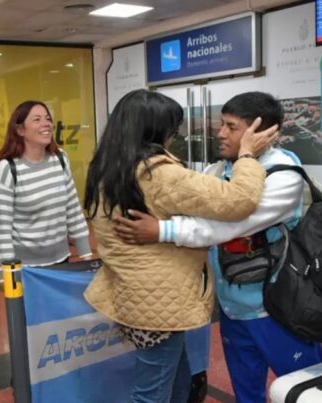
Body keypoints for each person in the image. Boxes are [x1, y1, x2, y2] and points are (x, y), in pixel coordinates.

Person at [113, 92, 322, 403]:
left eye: (232, 126)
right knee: (246, 392)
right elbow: (192, 210)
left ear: (263, 133)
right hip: (232, 306)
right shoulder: (217, 171)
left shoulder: (284, 175)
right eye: (221, 124)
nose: (221, 133)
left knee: (307, 392)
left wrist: (162, 230)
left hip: (277, 306)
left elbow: (231, 224)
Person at [82, 89, 278, 403]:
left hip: (134, 292)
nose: (175, 137)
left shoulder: (108, 165)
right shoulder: (157, 173)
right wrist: (246, 157)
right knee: (152, 393)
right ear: (155, 130)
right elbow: (239, 200)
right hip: (157, 301)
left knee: (174, 381)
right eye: (174, 129)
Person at [0, 100, 92, 267]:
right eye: (36, 120)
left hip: (62, 260)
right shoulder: (8, 168)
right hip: (27, 268)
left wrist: (86, 255)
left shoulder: (60, 158)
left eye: (47, 118)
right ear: (20, 129)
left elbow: (73, 210)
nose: (46, 124)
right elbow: (2, 229)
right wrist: (7, 274)